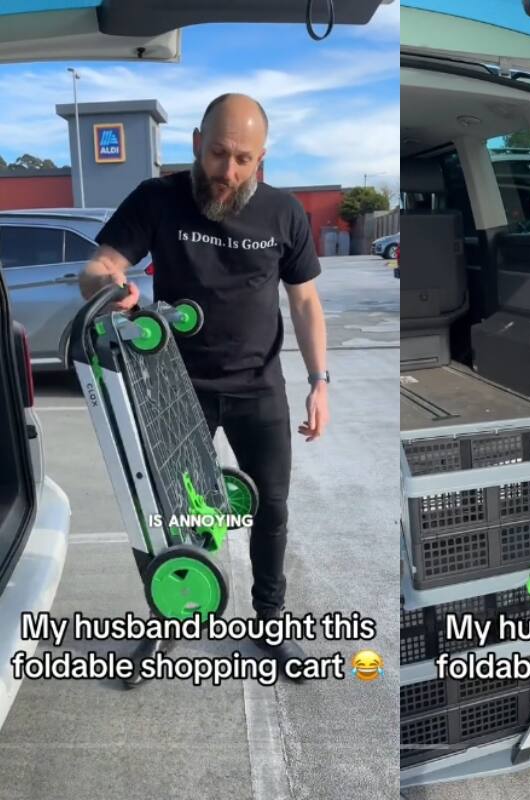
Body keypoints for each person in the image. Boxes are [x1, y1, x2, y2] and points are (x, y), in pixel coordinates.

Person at [79, 93, 330, 687]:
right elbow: (96, 267)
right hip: (171, 387)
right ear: (196, 142)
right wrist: (112, 286)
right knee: (163, 516)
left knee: (270, 508)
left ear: (262, 158)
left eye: (244, 159)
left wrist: (320, 382)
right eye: (218, 154)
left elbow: (305, 300)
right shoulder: (157, 199)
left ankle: (270, 621)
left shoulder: (283, 213)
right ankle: (168, 618)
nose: (228, 172)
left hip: (257, 388)